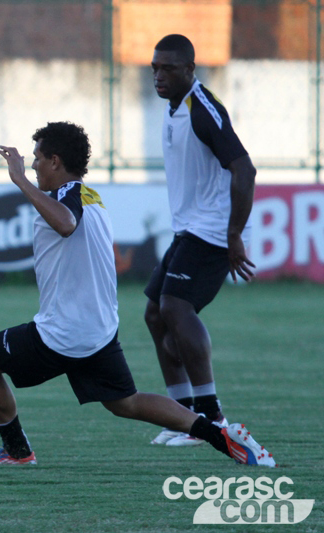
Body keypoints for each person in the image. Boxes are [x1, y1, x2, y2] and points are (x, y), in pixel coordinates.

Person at [0, 121, 274, 467]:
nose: (32, 165)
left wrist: (19, 179)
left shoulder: (67, 196)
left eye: (37, 158)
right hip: (98, 329)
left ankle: (17, 452)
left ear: (55, 161)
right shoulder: (91, 197)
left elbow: (65, 224)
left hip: (64, 332)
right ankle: (220, 435)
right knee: (126, 402)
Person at [146, 34, 257, 446]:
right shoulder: (174, 105)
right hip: (190, 227)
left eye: (169, 68)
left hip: (213, 229)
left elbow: (245, 170)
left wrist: (234, 235)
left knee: (175, 307)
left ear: (190, 69)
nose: (159, 75)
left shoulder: (202, 109)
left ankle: (211, 417)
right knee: (155, 314)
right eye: (155, 67)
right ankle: (182, 417)